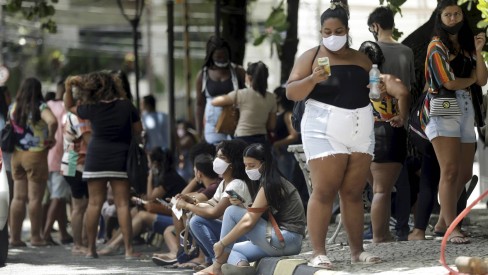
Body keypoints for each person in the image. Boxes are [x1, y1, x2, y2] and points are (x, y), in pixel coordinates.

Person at [285, 1, 381, 268]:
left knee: (353, 192)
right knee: (324, 190)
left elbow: (371, 91)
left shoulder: (362, 59)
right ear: (320, 31)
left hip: (360, 126)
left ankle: (356, 250)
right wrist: (312, 79)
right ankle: (318, 251)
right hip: (322, 126)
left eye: (338, 31)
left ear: (347, 30)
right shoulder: (311, 56)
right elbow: (291, 92)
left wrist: (380, 91)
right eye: (327, 31)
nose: (332, 36)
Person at [422, 0, 487, 244]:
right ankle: (451, 226)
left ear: (462, 16)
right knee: (449, 170)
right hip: (443, 108)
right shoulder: (435, 46)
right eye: (447, 15)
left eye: (456, 14)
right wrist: (469, 79)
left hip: (467, 109)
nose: (452, 18)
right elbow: (448, 83)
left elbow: (481, 79)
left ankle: (442, 223)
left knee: (465, 172)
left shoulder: (469, 46)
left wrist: (479, 53)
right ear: (440, 18)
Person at [64, 71, 141, 259]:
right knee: (123, 204)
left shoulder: (91, 107)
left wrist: (68, 86)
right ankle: (129, 251)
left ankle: (91, 249)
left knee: (94, 203)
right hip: (120, 158)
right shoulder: (126, 106)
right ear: (115, 86)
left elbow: (69, 106)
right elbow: (138, 131)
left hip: (96, 157)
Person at [199, 143, 306, 275]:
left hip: (287, 239)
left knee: (231, 212)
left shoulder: (271, 184)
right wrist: (243, 206)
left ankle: (217, 267)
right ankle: (242, 267)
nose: (248, 169)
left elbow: (249, 221)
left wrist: (221, 243)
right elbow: (261, 215)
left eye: (252, 165)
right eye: (246, 165)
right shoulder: (267, 181)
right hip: (285, 241)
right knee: (232, 249)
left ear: (264, 164)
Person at [367, 6, 416, 242]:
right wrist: (403, 117)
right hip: (392, 128)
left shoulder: (360, 72)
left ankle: (376, 232)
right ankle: (396, 229)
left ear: (375, 26)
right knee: (394, 185)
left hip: (364, 133)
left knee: (374, 188)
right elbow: (407, 90)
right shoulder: (406, 51)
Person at [358, 41, 410, 243]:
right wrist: (402, 116)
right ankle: (379, 236)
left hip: (363, 136)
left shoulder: (356, 83)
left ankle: (382, 234)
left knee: (378, 190)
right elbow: (404, 93)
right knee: (382, 190)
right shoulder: (384, 79)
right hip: (385, 132)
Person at [175, 139, 255, 268]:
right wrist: (193, 201)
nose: (217, 160)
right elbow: (212, 203)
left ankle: (217, 262)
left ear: (233, 163)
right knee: (195, 220)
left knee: (196, 221)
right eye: (217, 156)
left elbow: (214, 212)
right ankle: (216, 261)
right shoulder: (224, 182)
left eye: (222, 157)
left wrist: (187, 206)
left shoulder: (236, 184)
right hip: (232, 234)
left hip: (245, 236)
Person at [98, 147, 186, 256]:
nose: (148, 166)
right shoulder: (166, 175)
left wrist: (149, 177)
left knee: (142, 216)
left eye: (149, 162)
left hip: (178, 219)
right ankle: (112, 243)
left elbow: (149, 198)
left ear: (155, 164)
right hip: (173, 215)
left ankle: (114, 245)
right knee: (134, 211)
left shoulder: (169, 177)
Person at [9, 77, 57, 247]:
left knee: (18, 198)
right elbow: (52, 121)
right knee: (35, 198)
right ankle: (36, 237)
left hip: (17, 155)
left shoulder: (13, 107)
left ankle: (14, 237)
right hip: (36, 155)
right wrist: (51, 138)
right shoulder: (40, 106)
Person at [195, 36, 246, 144]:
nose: (222, 59)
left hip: (235, 127)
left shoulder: (238, 71)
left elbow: (248, 97)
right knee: (216, 158)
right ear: (210, 55)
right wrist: (199, 132)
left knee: (233, 157)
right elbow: (200, 104)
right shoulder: (203, 75)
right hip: (212, 129)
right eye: (218, 56)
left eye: (225, 56)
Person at [212, 61, 277, 146]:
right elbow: (271, 126)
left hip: (242, 138)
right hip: (261, 140)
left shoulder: (241, 94)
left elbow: (215, 102)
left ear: (249, 78)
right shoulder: (271, 97)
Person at [61, 83, 92, 254]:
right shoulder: (78, 115)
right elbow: (88, 140)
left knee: (82, 205)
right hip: (75, 162)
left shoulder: (70, 114)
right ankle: (78, 244)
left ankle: (83, 242)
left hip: (71, 161)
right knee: (79, 206)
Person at [43, 80, 73, 245]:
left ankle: (63, 233)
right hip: (65, 157)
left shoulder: (47, 105)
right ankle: (46, 234)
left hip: (47, 156)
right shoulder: (67, 109)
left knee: (58, 197)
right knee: (61, 197)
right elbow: (70, 136)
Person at [271, 85, 299, 182]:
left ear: (278, 98)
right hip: (279, 152)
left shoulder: (288, 114)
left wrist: (277, 144)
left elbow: (294, 135)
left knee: (285, 180)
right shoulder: (277, 114)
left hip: (286, 153)